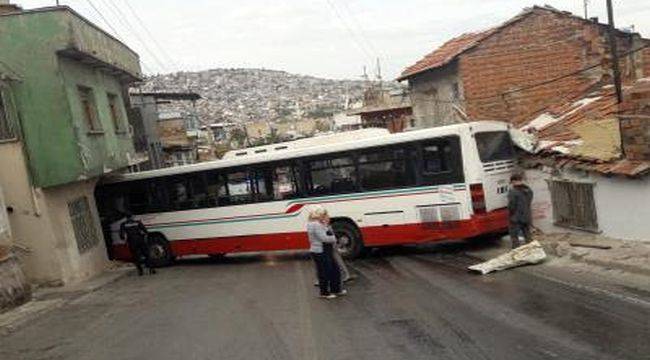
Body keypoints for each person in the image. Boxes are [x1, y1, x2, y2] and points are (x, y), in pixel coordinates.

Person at [307, 206, 346, 299]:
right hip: (320, 251)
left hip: (325, 250)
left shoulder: (319, 223)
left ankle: (336, 289)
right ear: (318, 214)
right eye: (324, 214)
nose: (326, 216)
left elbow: (327, 232)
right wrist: (333, 238)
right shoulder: (315, 224)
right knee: (324, 272)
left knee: (334, 269)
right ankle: (324, 293)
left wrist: (326, 225)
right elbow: (324, 238)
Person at [507, 173, 534, 249]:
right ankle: (532, 250)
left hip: (516, 218)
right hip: (527, 216)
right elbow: (529, 201)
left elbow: (511, 206)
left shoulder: (513, 192)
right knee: (527, 235)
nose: (512, 184)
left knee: (514, 236)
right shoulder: (529, 190)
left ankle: (516, 252)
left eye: (512, 182)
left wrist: (510, 214)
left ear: (514, 181)